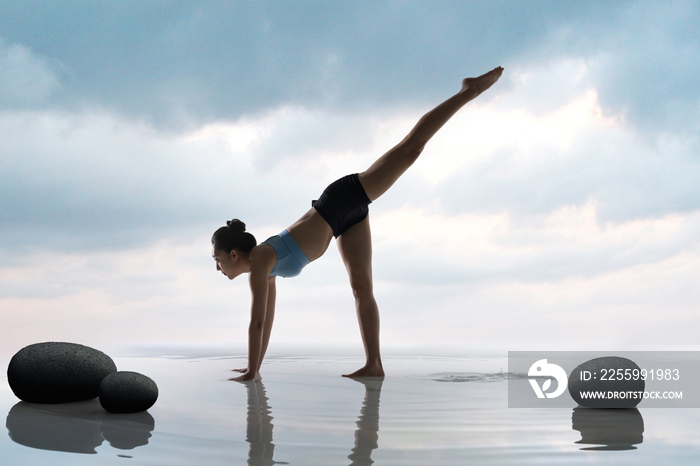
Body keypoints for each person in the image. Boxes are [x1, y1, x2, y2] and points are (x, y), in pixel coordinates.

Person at [212, 67, 504, 382]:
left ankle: (467, 91)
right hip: (343, 224)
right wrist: (255, 366)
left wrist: (253, 372)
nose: (218, 269)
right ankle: (374, 364)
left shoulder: (260, 261)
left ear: (232, 254)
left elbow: (255, 323)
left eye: (216, 261)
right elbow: (266, 323)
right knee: (361, 287)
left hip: (339, 200)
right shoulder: (265, 270)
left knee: (410, 150)